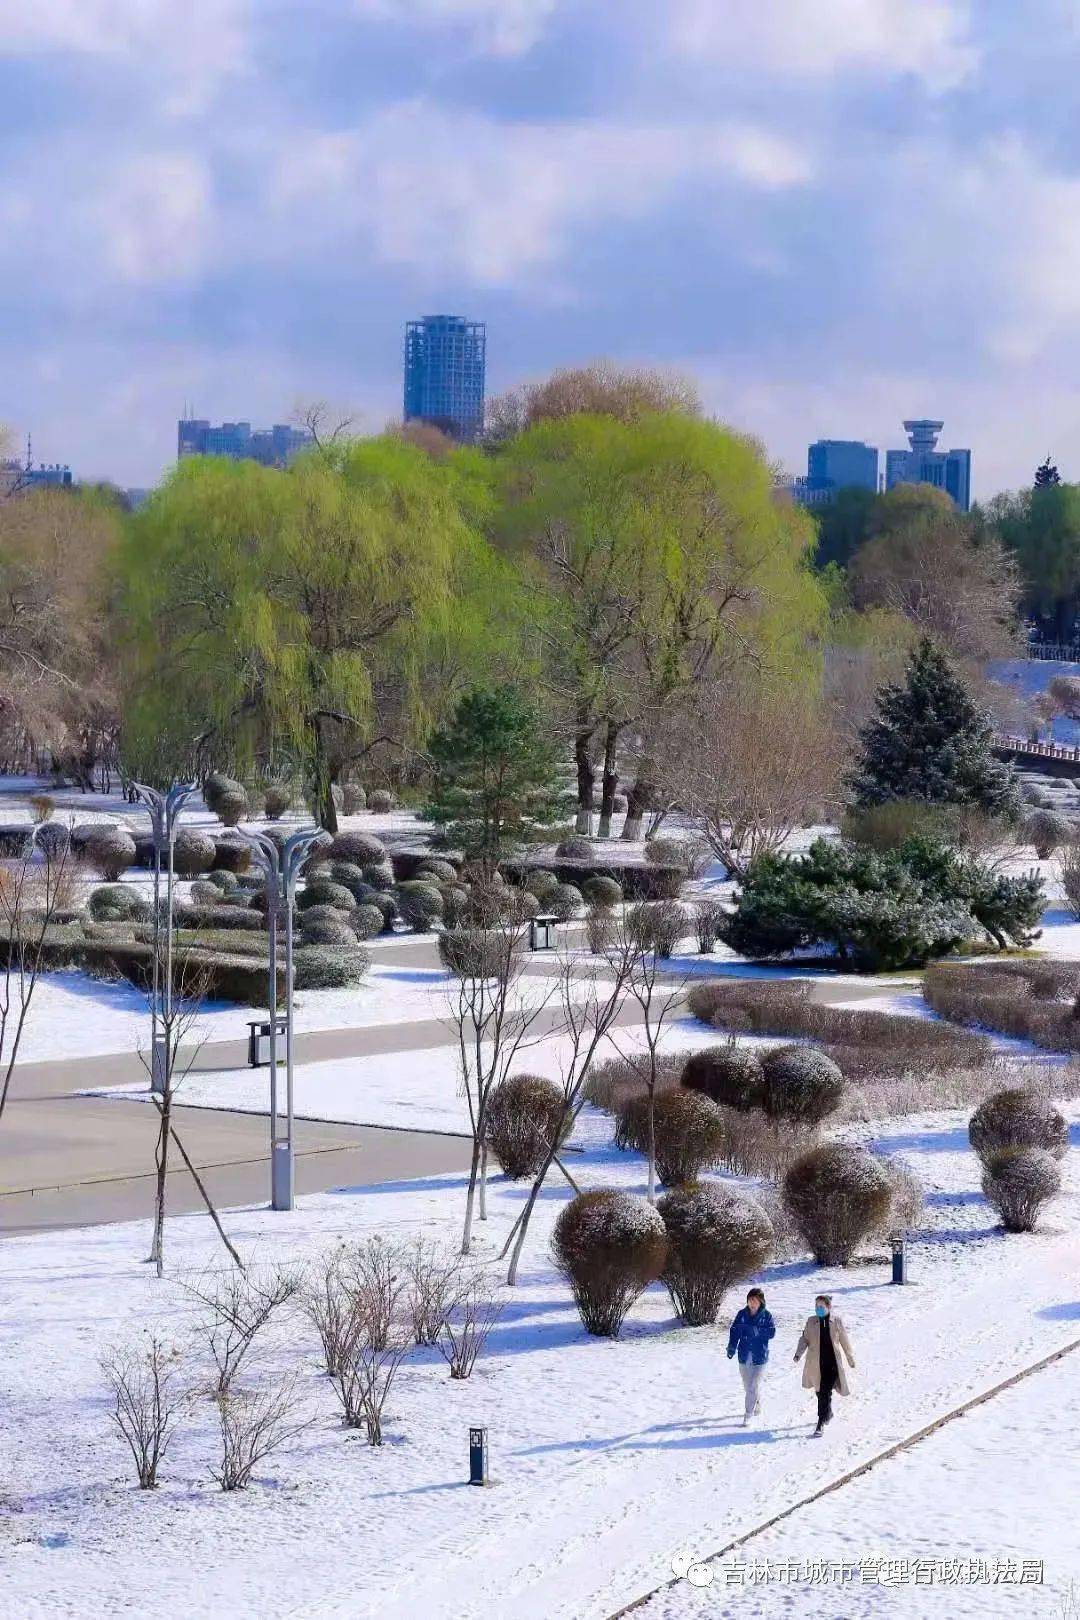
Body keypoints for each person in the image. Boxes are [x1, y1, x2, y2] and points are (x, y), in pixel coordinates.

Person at [794, 1294, 856, 1436]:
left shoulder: (836, 1322)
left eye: (821, 1307)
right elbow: (804, 1339)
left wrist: (850, 1358)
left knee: (824, 1392)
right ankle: (828, 1412)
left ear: (829, 1307)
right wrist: (798, 1353)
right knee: (820, 1393)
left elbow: (845, 1341)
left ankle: (820, 1423)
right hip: (816, 1365)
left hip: (832, 1364)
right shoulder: (811, 1322)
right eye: (816, 1306)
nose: (818, 1309)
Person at [726, 1287, 776, 1425]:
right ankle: (757, 1402)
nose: (752, 1303)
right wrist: (731, 1347)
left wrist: (757, 1331)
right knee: (748, 1385)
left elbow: (772, 1332)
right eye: (750, 1300)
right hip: (744, 1355)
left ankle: (748, 1414)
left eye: (755, 1300)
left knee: (753, 1385)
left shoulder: (767, 1316)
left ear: (761, 1301)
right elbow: (734, 1331)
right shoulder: (741, 1314)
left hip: (760, 1356)